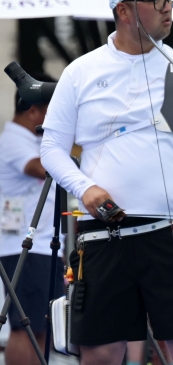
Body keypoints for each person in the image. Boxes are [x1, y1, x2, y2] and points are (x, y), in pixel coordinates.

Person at [40, 0, 173, 365]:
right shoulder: (81, 72)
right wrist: (85, 188)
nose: (168, 7)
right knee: (102, 356)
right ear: (123, 10)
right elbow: (53, 149)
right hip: (105, 235)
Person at [0, 80, 64, 365]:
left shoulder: (31, 139)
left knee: (40, 327)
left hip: (40, 246)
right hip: (25, 247)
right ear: (34, 111)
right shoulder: (14, 139)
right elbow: (38, 167)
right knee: (25, 326)